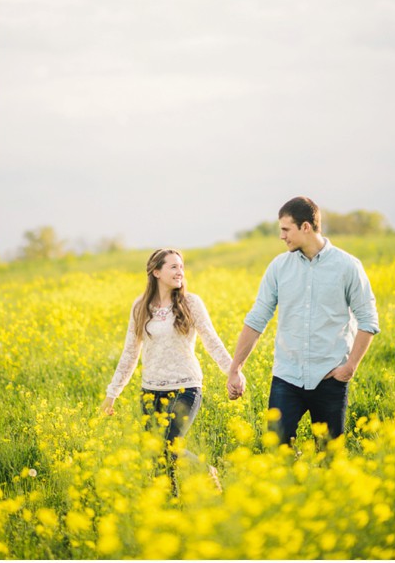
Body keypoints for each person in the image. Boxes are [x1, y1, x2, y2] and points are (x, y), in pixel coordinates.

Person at [226, 196, 380, 445]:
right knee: (277, 453)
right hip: (287, 378)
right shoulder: (278, 267)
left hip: (330, 379)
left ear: (306, 227)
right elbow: (257, 319)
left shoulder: (347, 266)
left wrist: (350, 367)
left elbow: (368, 319)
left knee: (330, 459)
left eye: (286, 229)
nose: (281, 236)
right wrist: (235, 368)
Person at [102, 248, 233, 493]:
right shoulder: (140, 306)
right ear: (156, 271)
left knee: (170, 446)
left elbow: (211, 340)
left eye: (181, 266)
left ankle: (206, 472)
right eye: (173, 266)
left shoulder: (191, 303)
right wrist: (113, 394)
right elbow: (130, 353)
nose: (180, 271)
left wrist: (232, 372)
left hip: (186, 387)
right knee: (158, 460)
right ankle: (169, 509)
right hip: (151, 392)